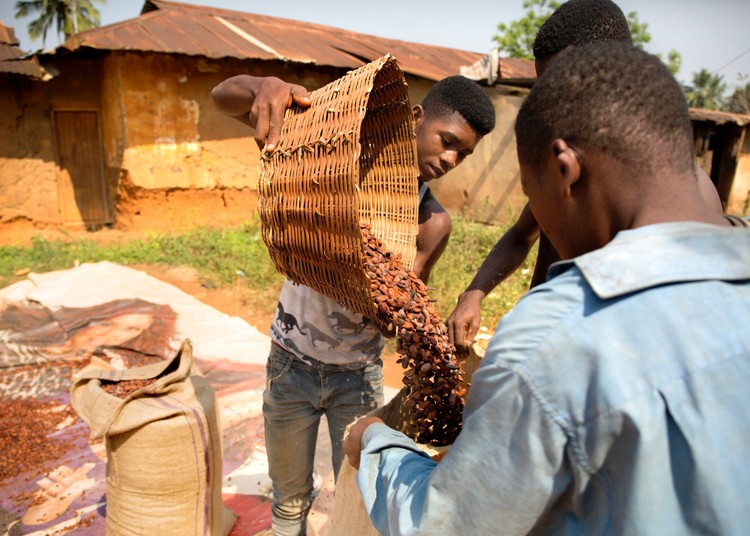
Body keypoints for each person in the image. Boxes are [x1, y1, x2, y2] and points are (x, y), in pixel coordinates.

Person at [342, 42, 750, 535]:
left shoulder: (551, 340)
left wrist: (379, 446)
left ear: (564, 171)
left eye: (532, 193)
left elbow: (444, 525)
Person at [211, 72, 496, 535]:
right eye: (447, 142)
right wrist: (263, 86)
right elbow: (221, 96)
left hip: (357, 376)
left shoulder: (432, 223)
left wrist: (411, 326)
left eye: (462, 154)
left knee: (357, 495)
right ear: (415, 118)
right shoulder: (337, 162)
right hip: (291, 363)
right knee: (289, 499)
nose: (450, 159)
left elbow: (398, 309)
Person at [446, 0, 724, 350]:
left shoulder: (686, 199)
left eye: (563, 87)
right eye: (544, 89)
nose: (551, 104)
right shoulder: (564, 170)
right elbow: (521, 234)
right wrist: (474, 293)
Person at [0, 298, 177, 399]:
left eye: (132, 329)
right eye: (106, 323)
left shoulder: (106, 363)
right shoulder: (22, 334)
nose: (113, 335)